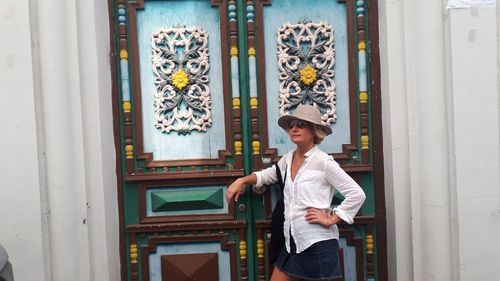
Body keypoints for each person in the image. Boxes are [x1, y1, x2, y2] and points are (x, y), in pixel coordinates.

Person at [225, 104, 366, 281]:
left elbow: (357, 194)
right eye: (291, 124)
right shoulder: (287, 159)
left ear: (314, 130)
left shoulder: (324, 162)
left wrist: (332, 218)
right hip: (291, 242)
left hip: (316, 243)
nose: (294, 128)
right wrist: (242, 180)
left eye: (301, 124)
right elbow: (266, 176)